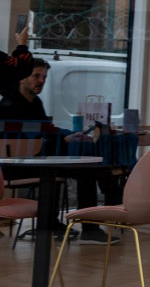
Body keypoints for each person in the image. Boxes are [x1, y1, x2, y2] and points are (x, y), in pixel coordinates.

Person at [0, 55, 118, 243]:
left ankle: (58, 224)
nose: (42, 81)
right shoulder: (8, 106)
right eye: (36, 76)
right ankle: (91, 227)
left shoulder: (34, 103)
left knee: (87, 165)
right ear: (21, 77)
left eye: (44, 77)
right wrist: (58, 136)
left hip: (34, 161)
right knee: (86, 171)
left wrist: (65, 136)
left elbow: (45, 130)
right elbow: (32, 135)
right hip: (14, 166)